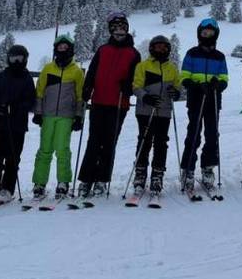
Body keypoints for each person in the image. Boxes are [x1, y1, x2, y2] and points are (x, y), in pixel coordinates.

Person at [78, 12, 141, 199]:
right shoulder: (103, 49)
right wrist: (87, 87)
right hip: (98, 102)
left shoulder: (134, 54)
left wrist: (128, 87)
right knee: (94, 141)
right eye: (115, 28)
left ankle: (102, 180)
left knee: (109, 143)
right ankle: (86, 180)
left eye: (122, 28)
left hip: (118, 104)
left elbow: (136, 78)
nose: (119, 31)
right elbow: (92, 70)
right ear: (111, 31)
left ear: (127, 30)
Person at [32, 34, 85, 202]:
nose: (62, 50)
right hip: (47, 115)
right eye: (59, 47)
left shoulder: (76, 71)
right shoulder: (48, 69)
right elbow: (39, 91)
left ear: (70, 49)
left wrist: (79, 116)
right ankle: (39, 183)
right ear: (55, 50)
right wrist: (38, 112)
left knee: (62, 150)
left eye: (65, 47)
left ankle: (63, 182)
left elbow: (80, 96)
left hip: (66, 116)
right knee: (44, 149)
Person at [179, 17, 230, 193]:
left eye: (210, 32)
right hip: (196, 99)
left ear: (215, 35)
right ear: (199, 34)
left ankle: (208, 167)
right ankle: (188, 169)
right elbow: (184, 76)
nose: (207, 35)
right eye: (204, 32)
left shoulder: (220, 56)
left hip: (213, 101)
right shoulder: (192, 53)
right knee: (193, 134)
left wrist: (219, 85)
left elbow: (225, 78)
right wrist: (196, 85)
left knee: (212, 135)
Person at [129, 35, 183, 197]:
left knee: (161, 142)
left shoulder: (172, 68)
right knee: (144, 141)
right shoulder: (143, 66)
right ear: (152, 48)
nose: (161, 50)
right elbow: (136, 86)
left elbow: (178, 86)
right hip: (145, 110)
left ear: (168, 50)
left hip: (164, 111)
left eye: (164, 47)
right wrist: (145, 96)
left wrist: (176, 92)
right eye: (158, 47)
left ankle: (157, 175)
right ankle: (140, 174)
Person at [0, 44, 36, 207]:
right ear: (8, 59)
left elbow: (30, 101)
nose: (16, 61)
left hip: (17, 125)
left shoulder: (27, 78)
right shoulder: (2, 76)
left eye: (20, 58)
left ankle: (7, 188)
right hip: (0, 124)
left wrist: (16, 107)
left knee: (13, 157)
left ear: (25, 60)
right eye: (14, 58)